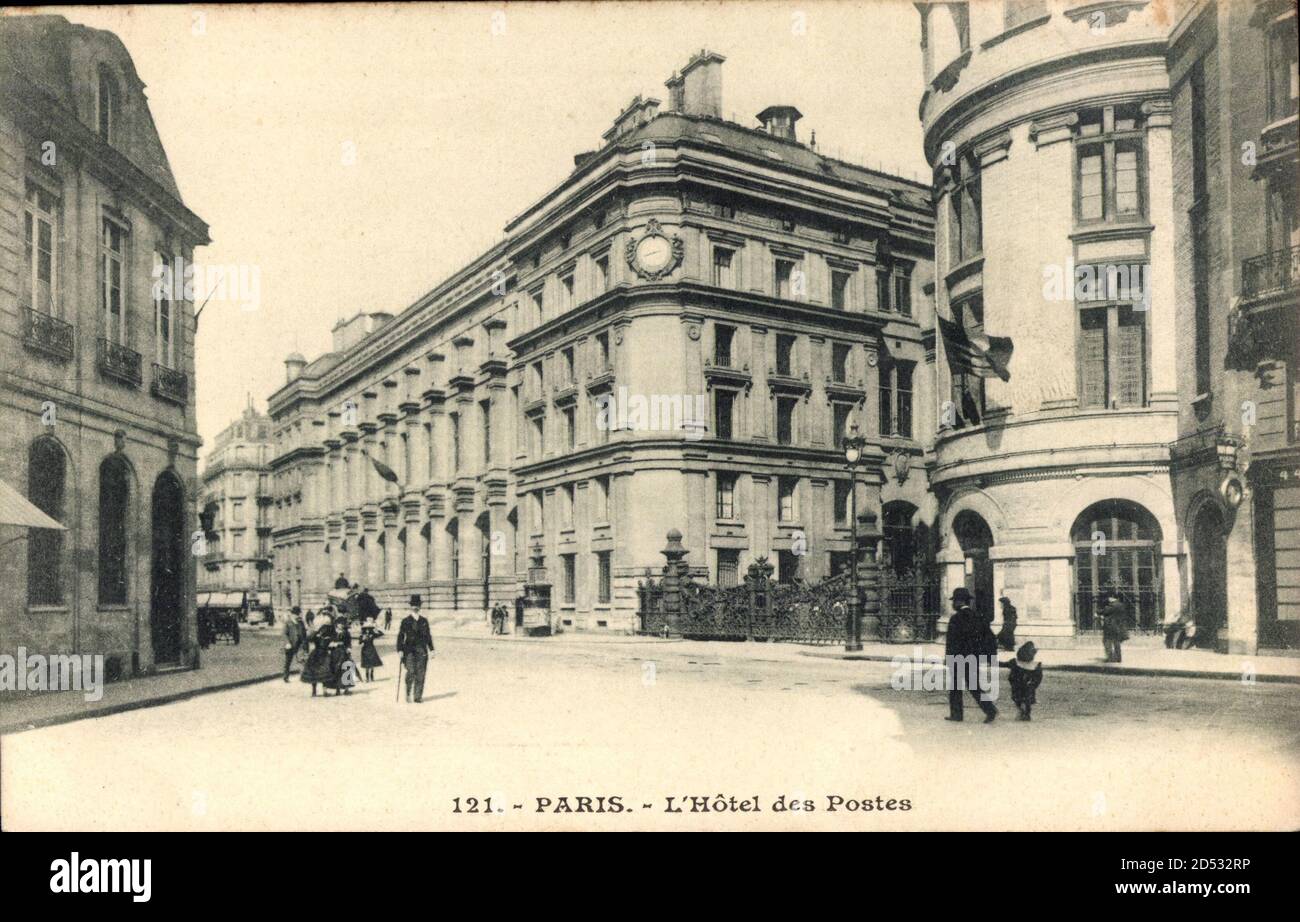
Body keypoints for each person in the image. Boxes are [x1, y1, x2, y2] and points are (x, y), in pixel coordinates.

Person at [945, 586, 998, 723]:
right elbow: (990, 637)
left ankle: (957, 715)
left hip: (958, 657)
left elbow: (951, 642)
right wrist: (988, 656)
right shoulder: (977, 617)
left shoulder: (956, 619)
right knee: (974, 686)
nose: (953, 604)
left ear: (958, 602)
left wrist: (949, 659)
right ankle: (990, 709)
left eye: (954, 601)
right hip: (973, 657)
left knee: (955, 687)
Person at [396, 594, 434, 703]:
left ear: (420, 607)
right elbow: (401, 636)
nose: (415, 607)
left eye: (417, 605)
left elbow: (428, 636)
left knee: (421, 673)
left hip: (422, 650)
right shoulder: (406, 621)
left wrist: (431, 649)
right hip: (409, 650)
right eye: (413, 605)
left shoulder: (424, 621)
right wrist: (400, 650)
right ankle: (408, 692)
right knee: (411, 671)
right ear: (410, 607)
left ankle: (417, 696)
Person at [1002, 641, 1043, 721]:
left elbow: (1003, 664)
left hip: (1016, 685)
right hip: (1029, 685)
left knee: (1017, 699)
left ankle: (1021, 711)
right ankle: (1027, 714)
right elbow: (1039, 677)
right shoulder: (1036, 665)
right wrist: (1034, 685)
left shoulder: (1014, 662)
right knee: (1027, 700)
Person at [301, 614, 335, 697]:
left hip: (323, 654)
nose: (325, 629)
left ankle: (323, 691)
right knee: (316, 673)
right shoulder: (317, 634)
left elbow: (334, 640)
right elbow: (307, 639)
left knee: (324, 673)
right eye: (324, 627)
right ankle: (315, 691)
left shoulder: (329, 635)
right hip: (318, 654)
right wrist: (315, 632)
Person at [1099, 592, 1130, 663]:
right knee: (1117, 643)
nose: (1108, 599)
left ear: (1112, 598)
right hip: (1118, 627)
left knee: (1107, 642)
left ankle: (1110, 658)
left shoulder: (1111, 606)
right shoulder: (1121, 605)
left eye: (1109, 597)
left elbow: (1103, 611)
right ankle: (1118, 658)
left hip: (1110, 627)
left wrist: (1100, 614)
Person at [283, 606, 308, 682]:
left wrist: (305, 644)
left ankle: (303, 676)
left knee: (301, 660)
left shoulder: (301, 622)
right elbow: (284, 634)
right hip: (290, 645)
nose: (298, 616)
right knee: (288, 662)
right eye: (296, 614)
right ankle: (286, 676)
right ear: (293, 614)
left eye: (298, 614)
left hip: (300, 645)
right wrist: (287, 643)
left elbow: (304, 634)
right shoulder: (288, 622)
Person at [359, 616, 384, 683]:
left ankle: (372, 676)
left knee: (372, 663)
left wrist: (376, 629)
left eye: (369, 629)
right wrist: (362, 639)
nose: (367, 630)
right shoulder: (362, 635)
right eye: (366, 629)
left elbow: (381, 634)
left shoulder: (372, 634)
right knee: (366, 664)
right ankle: (367, 677)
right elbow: (359, 642)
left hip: (371, 648)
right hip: (365, 649)